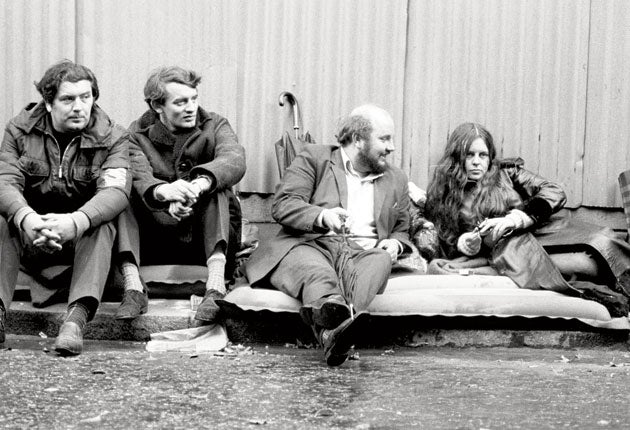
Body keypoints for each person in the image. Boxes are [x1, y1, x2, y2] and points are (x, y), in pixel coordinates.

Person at [245, 104, 413, 366]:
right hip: (310, 244)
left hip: (360, 254)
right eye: (384, 138)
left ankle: (334, 331)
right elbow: (283, 204)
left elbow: (402, 229)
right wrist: (323, 217)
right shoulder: (314, 158)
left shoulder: (396, 179)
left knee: (380, 260)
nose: (391, 147)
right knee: (318, 273)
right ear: (358, 139)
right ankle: (334, 332)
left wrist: (395, 244)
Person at [415, 122, 630, 316]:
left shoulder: (507, 174)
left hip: (540, 233)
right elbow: (445, 241)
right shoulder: (442, 194)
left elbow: (554, 192)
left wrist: (517, 218)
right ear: (456, 157)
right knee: (585, 264)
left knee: (604, 240)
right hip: (506, 251)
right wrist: (465, 244)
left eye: (483, 155)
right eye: (469, 155)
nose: (476, 162)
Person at [0, 60, 131, 355]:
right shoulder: (20, 131)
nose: (79, 107)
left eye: (86, 97)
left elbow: (115, 191)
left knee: (104, 221)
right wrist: (27, 218)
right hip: (32, 237)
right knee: (1, 217)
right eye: (68, 99)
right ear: (48, 103)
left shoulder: (113, 136)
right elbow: (4, 181)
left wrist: (75, 222)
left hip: (79, 244)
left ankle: (75, 321)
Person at [115, 66, 245, 322]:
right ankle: (133, 288)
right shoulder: (134, 135)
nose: (191, 108)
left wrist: (198, 186)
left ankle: (215, 287)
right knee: (121, 191)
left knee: (217, 188)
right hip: (155, 239)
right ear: (157, 106)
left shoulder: (215, 124)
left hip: (204, 240)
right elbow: (140, 174)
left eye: (194, 99)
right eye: (181, 102)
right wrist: (164, 193)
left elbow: (234, 158)